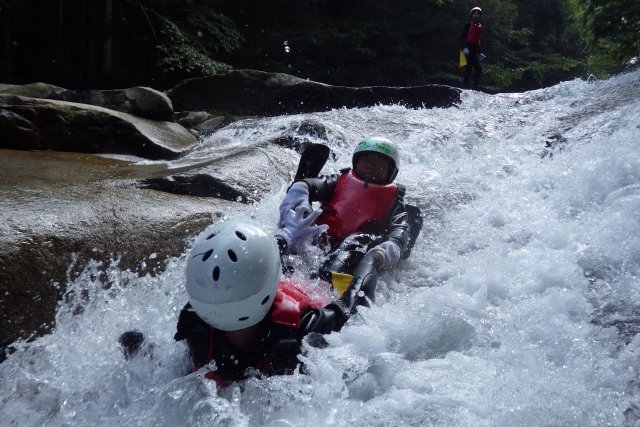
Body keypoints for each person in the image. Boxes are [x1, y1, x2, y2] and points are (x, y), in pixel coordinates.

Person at [171, 219, 378, 387]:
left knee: (353, 244)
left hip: (312, 287)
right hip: (271, 282)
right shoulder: (195, 324)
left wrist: (374, 258)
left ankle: (288, 239)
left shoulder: (304, 326)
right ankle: (284, 239)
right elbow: (356, 302)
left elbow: (353, 303)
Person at [277, 136, 414, 287]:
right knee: (301, 220)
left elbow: (400, 228)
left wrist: (392, 246)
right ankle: (278, 261)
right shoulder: (339, 181)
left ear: (391, 171)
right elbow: (310, 185)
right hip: (319, 241)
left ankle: (325, 286)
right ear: (356, 162)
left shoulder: (394, 201)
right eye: (366, 160)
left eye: (379, 162)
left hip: (358, 253)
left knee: (357, 240)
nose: (371, 166)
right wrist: (300, 189)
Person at [460, 6, 484, 89]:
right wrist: (464, 47)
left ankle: (475, 86)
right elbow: (462, 36)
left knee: (478, 68)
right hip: (467, 48)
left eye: (478, 14)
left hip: (474, 49)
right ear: (471, 15)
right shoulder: (467, 24)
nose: (476, 16)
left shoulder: (479, 26)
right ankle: (465, 85)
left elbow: (477, 40)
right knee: (468, 67)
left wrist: (480, 52)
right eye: (475, 14)